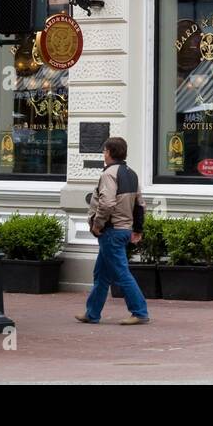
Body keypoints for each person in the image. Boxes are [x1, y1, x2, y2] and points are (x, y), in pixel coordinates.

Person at [76, 137, 150, 325]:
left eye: (104, 151)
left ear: (108, 152)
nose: (103, 154)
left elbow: (107, 203)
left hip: (111, 231)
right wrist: (138, 228)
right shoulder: (131, 173)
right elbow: (140, 204)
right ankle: (92, 313)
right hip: (124, 230)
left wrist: (97, 224)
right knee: (101, 274)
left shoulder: (109, 174)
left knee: (121, 273)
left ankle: (140, 312)